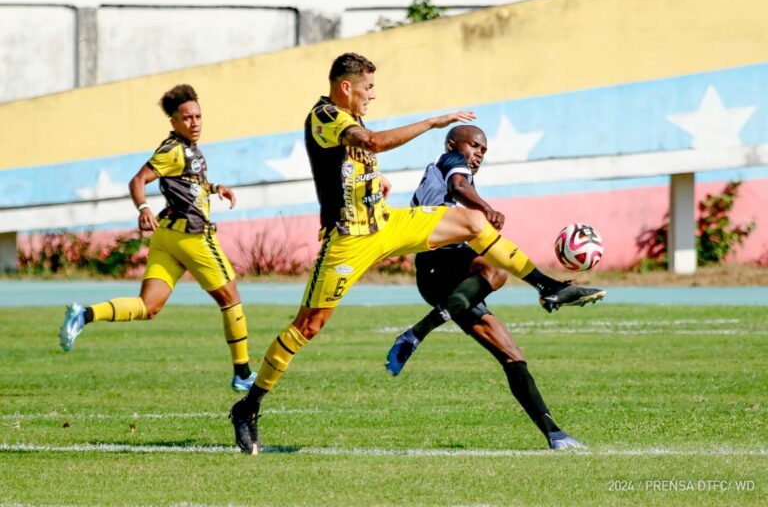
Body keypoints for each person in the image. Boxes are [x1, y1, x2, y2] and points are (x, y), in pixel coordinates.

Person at [229, 52, 605, 455]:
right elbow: (372, 143)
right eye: (368, 87)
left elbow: (352, 163)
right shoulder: (325, 116)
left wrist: (376, 180)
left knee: (473, 222)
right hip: (350, 239)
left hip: (386, 222)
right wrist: (431, 122)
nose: (372, 95)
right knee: (309, 326)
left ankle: (547, 286)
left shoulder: (351, 117)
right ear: (346, 86)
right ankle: (248, 406)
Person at [384, 124, 589, 450]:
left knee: (511, 354)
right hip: (436, 266)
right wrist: (485, 208)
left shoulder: (454, 177)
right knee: (495, 270)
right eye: (474, 146)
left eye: (484, 150)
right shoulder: (450, 162)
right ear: (453, 144)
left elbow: (462, 192)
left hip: (451, 280)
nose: (479, 154)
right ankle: (420, 331)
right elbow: (460, 186)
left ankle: (555, 435)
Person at [58, 84, 256, 392]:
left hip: (168, 238)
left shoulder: (188, 149)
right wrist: (143, 208)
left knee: (147, 306)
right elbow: (138, 180)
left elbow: (189, 184)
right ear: (174, 122)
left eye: (198, 116)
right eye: (187, 117)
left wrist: (215, 188)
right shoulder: (173, 150)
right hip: (192, 237)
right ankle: (242, 373)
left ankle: (84, 314)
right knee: (230, 299)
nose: (195, 122)